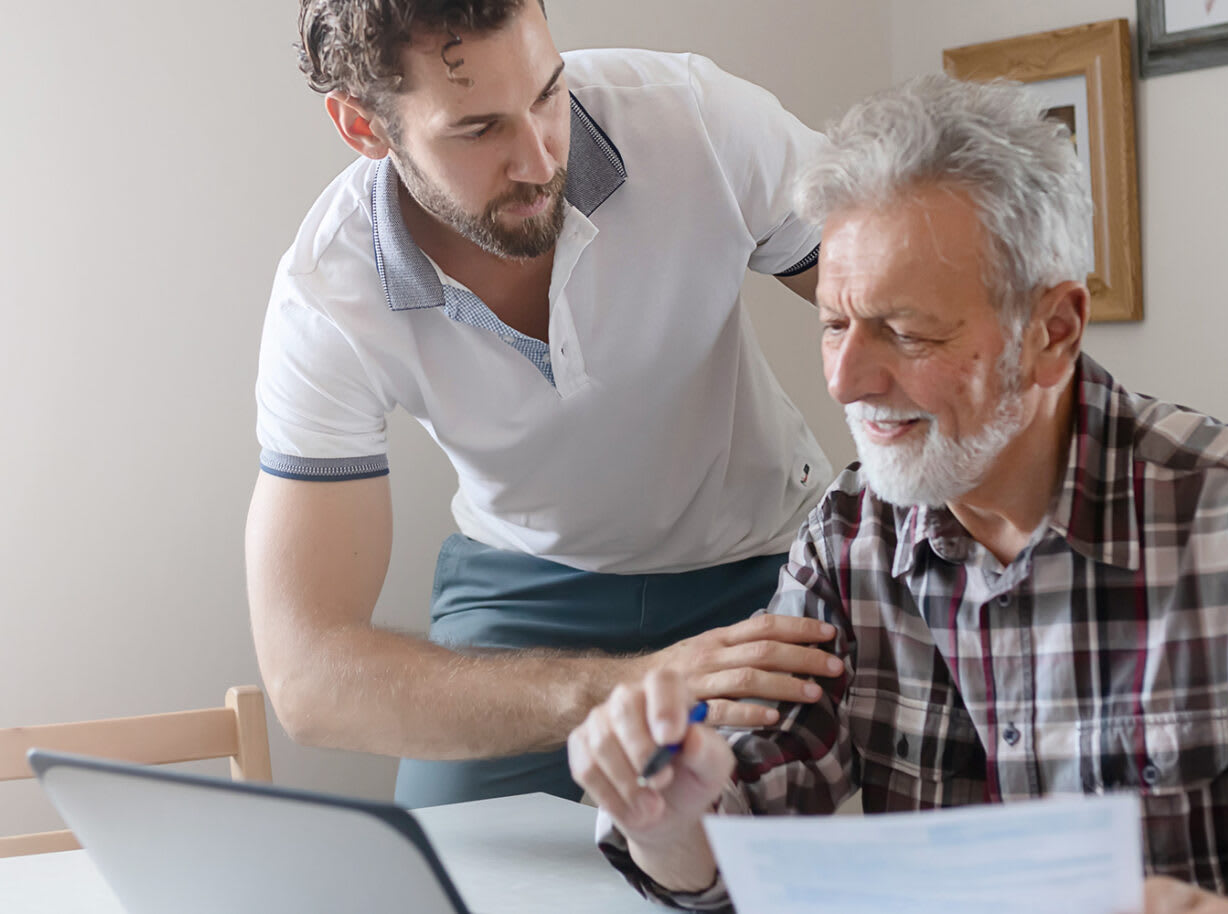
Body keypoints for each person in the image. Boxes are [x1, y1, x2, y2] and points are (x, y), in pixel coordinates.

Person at [568, 74, 1228, 914]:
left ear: (1052, 330)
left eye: (907, 333)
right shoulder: (847, 537)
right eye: (836, 324)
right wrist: (665, 818)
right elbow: (735, 836)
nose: (848, 380)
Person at [250, 0, 848, 807]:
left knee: (771, 865)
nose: (539, 159)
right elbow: (310, 679)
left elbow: (914, 311)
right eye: (477, 129)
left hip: (758, 565)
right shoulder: (327, 295)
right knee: (455, 880)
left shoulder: (697, 118)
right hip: (521, 595)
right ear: (365, 129)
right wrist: (628, 685)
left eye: (547, 94)